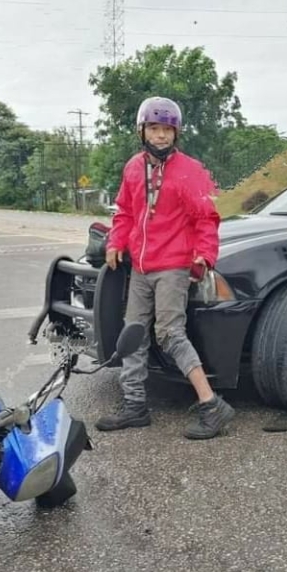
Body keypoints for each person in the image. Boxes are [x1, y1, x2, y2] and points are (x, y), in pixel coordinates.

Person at [95, 96, 235, 440]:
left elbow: (206, 218)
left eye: (167, 130)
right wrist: (115, 242)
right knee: (133, 334)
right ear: (142, 131)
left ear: (176, 133)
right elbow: (125, 212)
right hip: (140, 267)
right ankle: (135, 405)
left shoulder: (191, 170)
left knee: (170, 334)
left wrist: (205, 255)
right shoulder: (133, 167)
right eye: (154, 128)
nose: (160, 135)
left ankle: (211, 404)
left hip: (173, 265)